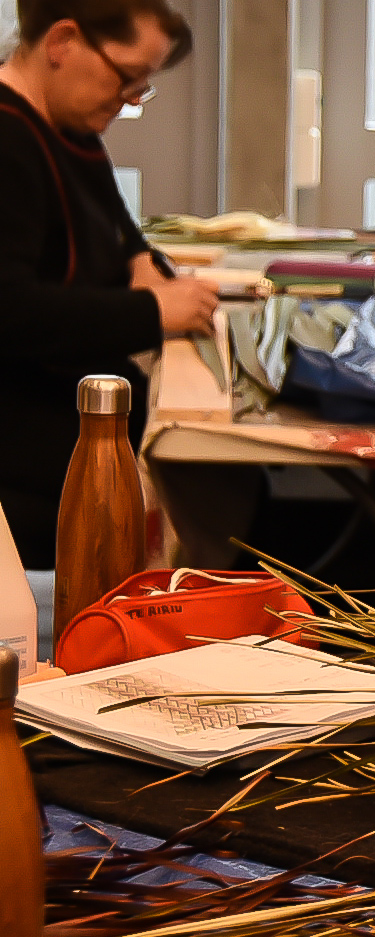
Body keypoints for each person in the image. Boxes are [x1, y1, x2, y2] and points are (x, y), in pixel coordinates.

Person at [0, 0, 218, 568]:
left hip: (76, 411)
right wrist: (149, 312)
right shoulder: (9, 140)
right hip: (27, 442)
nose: (130, 99)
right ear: (62, 42)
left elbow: (131, 249)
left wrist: (146, 277)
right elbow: (11, 312)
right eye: (128, 77)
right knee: (215, 481)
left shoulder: (70, 129)